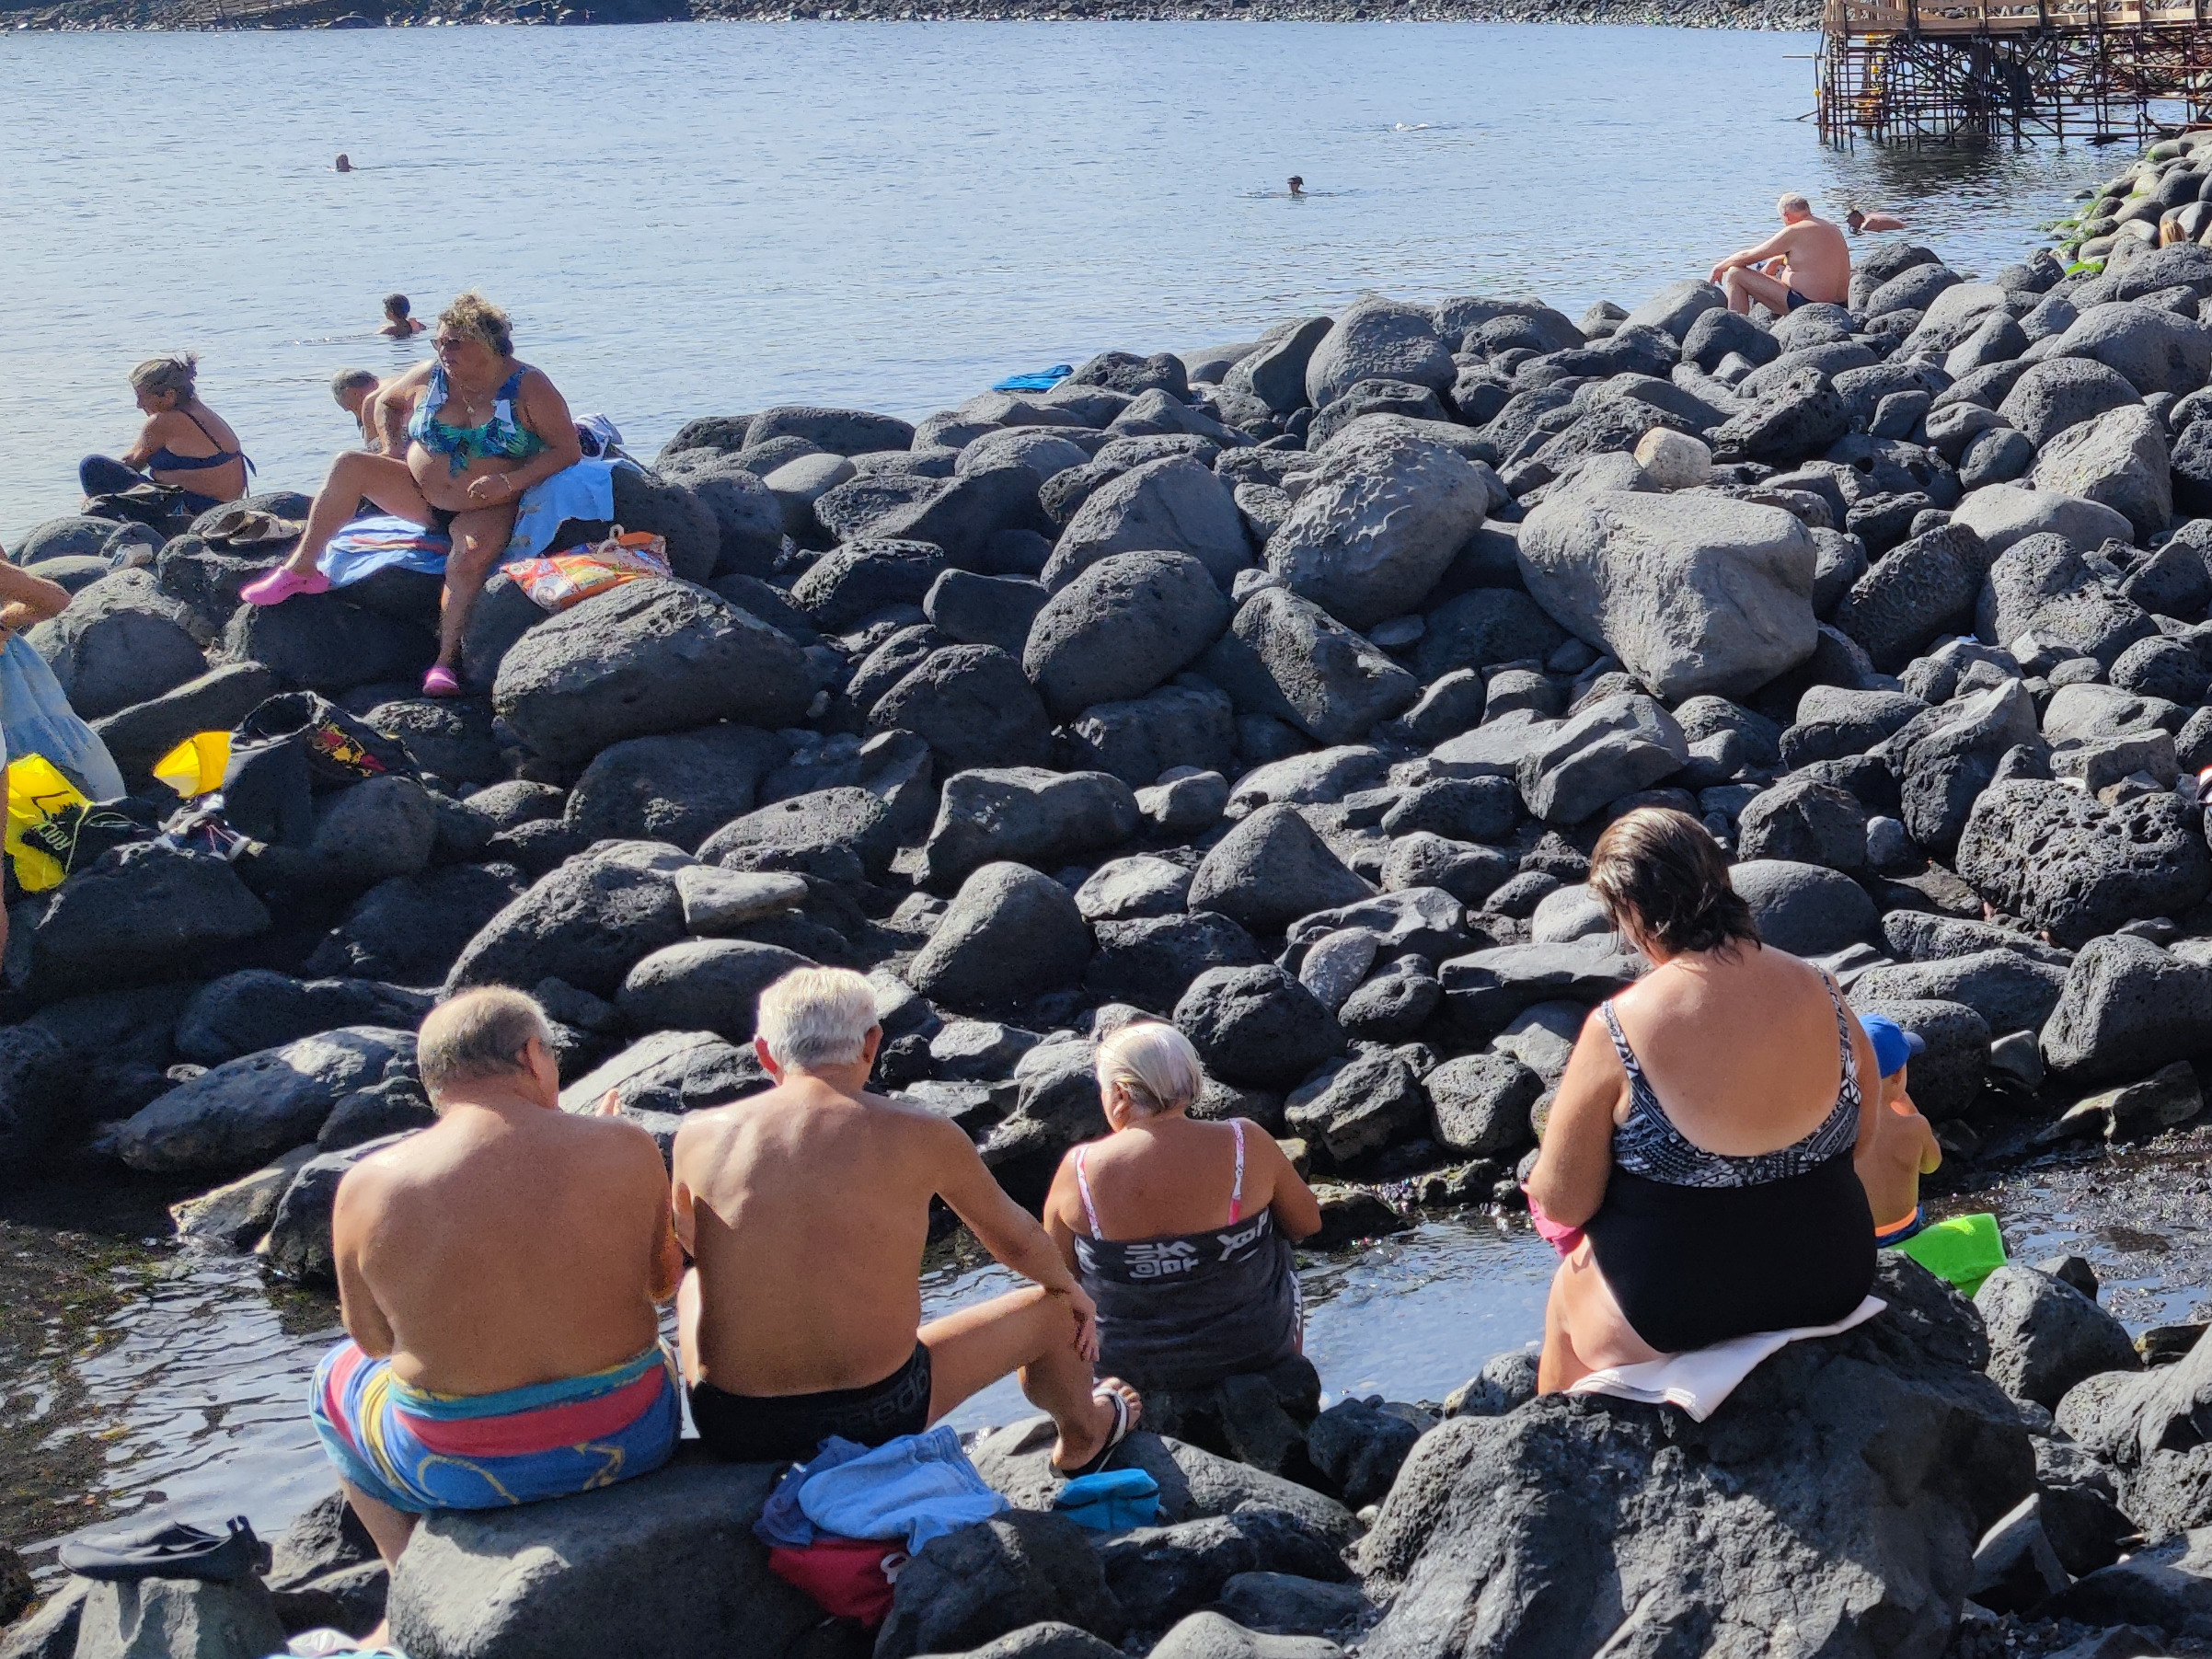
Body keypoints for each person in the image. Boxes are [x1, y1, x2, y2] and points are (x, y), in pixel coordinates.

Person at [309, 988, 682, 1645]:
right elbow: (661, 1286)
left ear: (436, 1082)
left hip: (454, 1468)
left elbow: (370, 1340)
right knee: (665, 1353)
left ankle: (413, 1592)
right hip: (631, 1439)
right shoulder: (627, 1145)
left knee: (328, 1381)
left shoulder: (368, 1184)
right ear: (533, 1054)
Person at [672, 967, 1140, 1474]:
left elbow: (694, 1242)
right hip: (878, 1413)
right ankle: (1084, 1437)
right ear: (872, 1042)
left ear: (764, 1053)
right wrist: (1074, 1293)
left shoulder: (697, 1133)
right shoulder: (922, 1132)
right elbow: (1018, 1241)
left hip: (736, 1425)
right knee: (1054, 1309)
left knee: (695, 1281)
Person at [1526, 807, 1879, 1394]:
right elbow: (1863, 1137)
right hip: (1832, 1278)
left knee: (1568, 1296)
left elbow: (1564, 1202)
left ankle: (1554, 1460)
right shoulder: (1821, 987)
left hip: (1672, 1308)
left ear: (1634, 910)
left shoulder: (1617, 1026)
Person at [241, 292, 582, 697]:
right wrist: (391, 446)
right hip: (421, 496)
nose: (443, 350)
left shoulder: (529, 386)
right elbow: (385, 400)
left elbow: (568, 450)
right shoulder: (430, 374)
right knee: (348, 464)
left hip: (490, 504)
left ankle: (444, 663)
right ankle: (300, 569)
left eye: (454, 342)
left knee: (468, 558)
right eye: (439, 341)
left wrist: (508, 483)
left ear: (489, 343)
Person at [1042, 1021, 1320, 1393]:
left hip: (1126, 1369)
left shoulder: (1078, 1169)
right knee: (1278, 1236)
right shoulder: (1244, 1142)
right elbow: (1307, 1223)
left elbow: (1056, 1274)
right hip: (1253, 1351)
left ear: (1120, 1093)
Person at [78, 356, 251, 517]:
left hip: (196, 509)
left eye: (141, 397)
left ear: (169, 395)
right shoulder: (200, 410)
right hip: (225, 507)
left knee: (92, 466)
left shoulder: (163, 421)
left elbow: (131, 463)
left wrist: (93, 496)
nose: (138, 405)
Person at [1854, 1014, 1941, 1246]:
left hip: (1864, 1239)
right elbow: (1931, 1166)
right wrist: (1911, 1111)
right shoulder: (1915, 1125)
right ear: (1898, 1076)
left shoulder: (1842, 1135)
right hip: (1908, 1228)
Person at [1708, 192, 1851, 316]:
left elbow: (1748, 256)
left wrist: (1721, 267)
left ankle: (1735, 327)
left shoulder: (1794, 231)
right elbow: (1818, 257)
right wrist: (1779, 260)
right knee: (1776, 268)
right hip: (1841, 303)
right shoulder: (1831, 227)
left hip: (1808, 305)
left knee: (1735, 273)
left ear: (1786, 215)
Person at [1844, 204, 1908, 235]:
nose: (1848, 222)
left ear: (1856, 216)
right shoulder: (1869, 216)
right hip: (1904, 228)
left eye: (1849, 219)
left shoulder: (1866, 224)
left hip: (1903, 231)